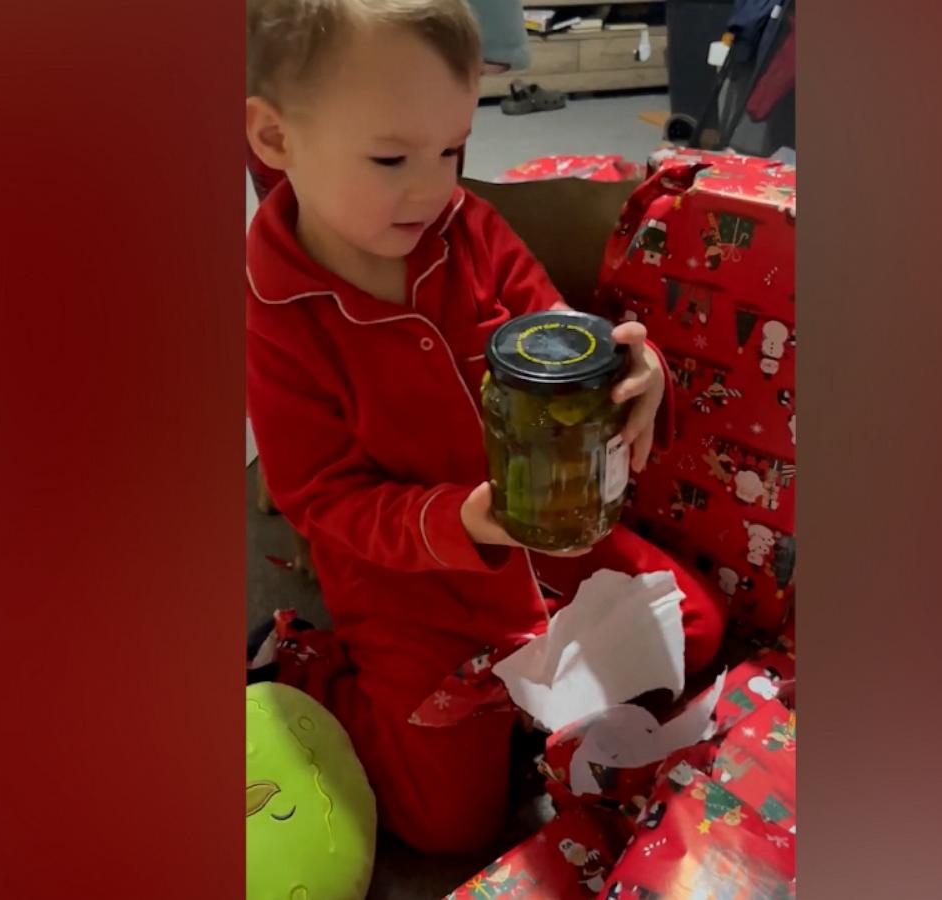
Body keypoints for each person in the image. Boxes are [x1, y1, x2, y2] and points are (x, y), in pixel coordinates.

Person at [245, 0, 726, 855]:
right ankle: (312, 668)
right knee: (447, 826)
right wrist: (457, 522)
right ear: (275, 140)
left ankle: (527, 688)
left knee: (695, 628)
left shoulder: (466, 227)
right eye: (391, 157)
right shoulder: (277, 316)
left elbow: (556, 330)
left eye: (452, 150)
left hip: (545, 534)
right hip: (407, 584)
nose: (433, 187)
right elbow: (322, 499)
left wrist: (629, 368)